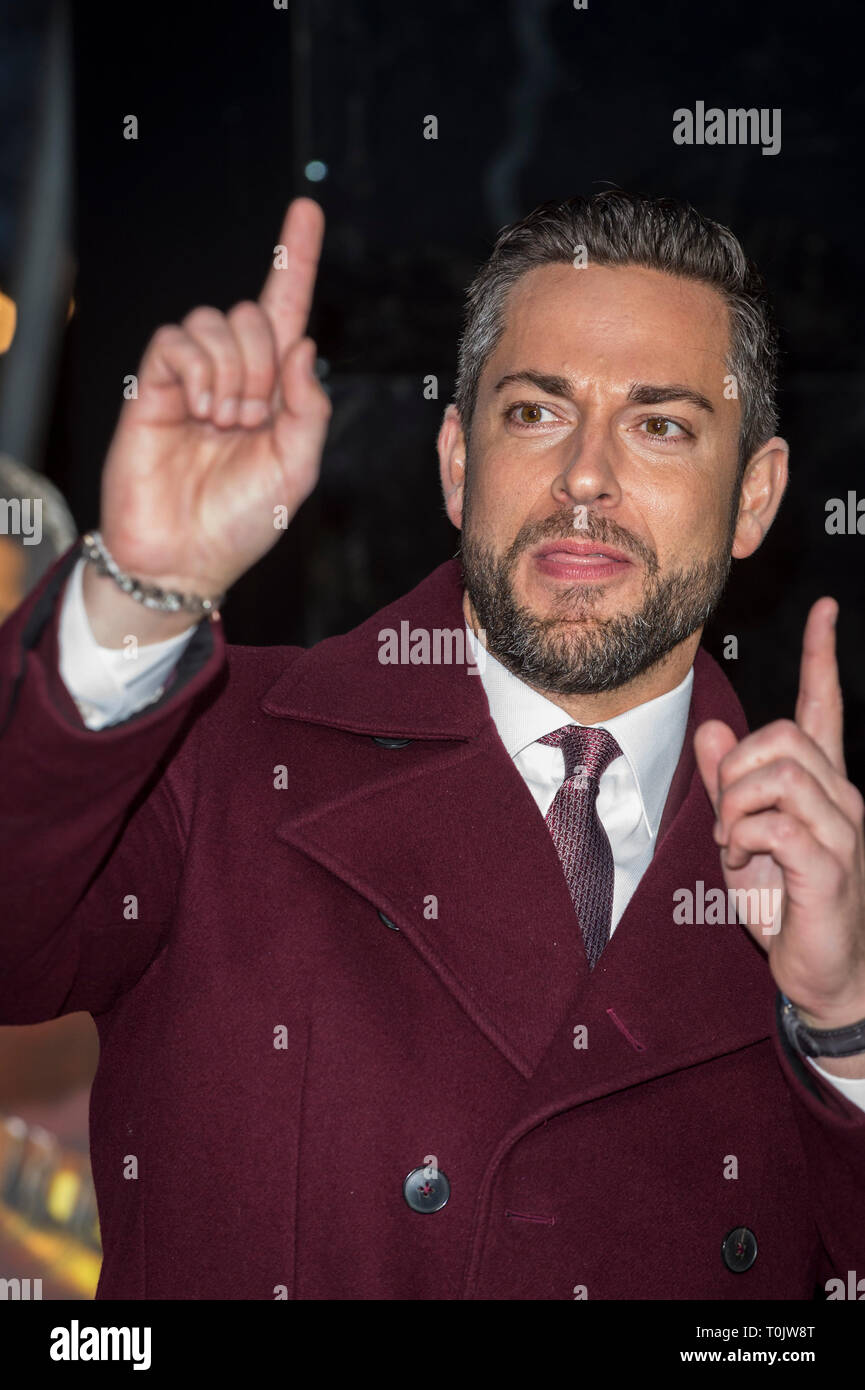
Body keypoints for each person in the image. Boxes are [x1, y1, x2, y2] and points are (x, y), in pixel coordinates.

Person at [1, 191, 863, 1301]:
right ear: (457, 463)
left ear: (754, 497)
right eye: (536, 412)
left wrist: (840, 1027)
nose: (585, 476)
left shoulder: (832, 901)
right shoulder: (213, 753)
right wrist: (141, 593)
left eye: (660, 424)